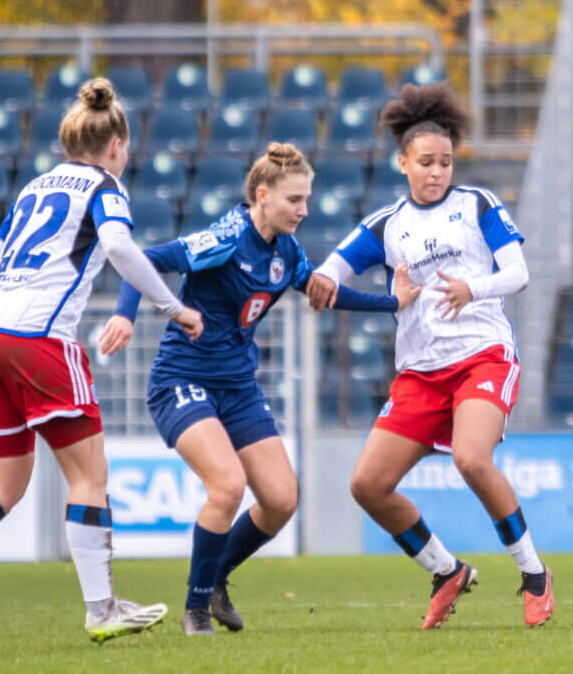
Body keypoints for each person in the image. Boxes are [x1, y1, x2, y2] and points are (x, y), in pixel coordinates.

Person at [0, 78, 204, 644]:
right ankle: (101, 608)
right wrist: (173, 306)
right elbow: (116, 247)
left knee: (2, 483)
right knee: (89, 476)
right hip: (38, 336)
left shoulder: (34, 188)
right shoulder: (106, 186)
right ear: (116, 145)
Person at [97, 142, 420, 636]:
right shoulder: (227, 238)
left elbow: (322, 291)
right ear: (262, 195)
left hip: (237, 387)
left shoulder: (286, 251)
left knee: (281, 498)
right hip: (183, 379)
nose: (304, 209)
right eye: (294, 199)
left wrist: (391, 302)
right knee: (227, 485)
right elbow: (143, 259)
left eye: (307, 199)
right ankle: (196, 608)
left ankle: (216, 576)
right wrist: (125, 312)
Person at [307, 82, 554, 630]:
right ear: (403, 163)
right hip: (420, 371)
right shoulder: (386, 224)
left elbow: (518, 272)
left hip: (482, 356)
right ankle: (446, 570)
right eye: (426, 162)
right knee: (367, 485)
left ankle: (533, 573)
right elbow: (333, 266)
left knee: (471, 458)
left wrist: (475, 289)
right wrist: (324, 279)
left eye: (445, 161)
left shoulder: (477, 205)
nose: (437, 171)